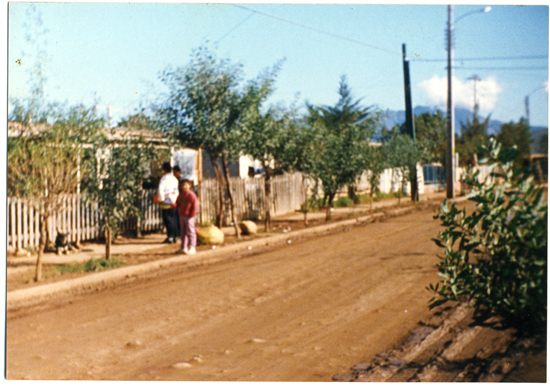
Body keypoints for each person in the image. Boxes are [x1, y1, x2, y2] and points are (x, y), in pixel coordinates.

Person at [155, 162, 179, 244]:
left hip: (166, 201)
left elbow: (161, 190)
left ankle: (170, 237)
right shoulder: (174, 179)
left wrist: (161, 199)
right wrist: (175, 200)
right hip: (173, 201)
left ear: (164, 170)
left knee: (167, 220)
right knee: (174, 219)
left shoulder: (164, 179)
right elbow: (176, 191)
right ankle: (175, 236)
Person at [175, 179, 199, 255]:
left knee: (190, 231)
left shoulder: (191, 195)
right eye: (182, 185)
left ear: (190, 186)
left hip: (189, 216)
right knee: (183, 232)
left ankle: (192, 247)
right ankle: (183, 247)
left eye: (186, 185)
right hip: (182, 215)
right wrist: (173, 205)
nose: (184, 187)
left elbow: (195, 205)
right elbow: (178, 204)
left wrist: (193, 213)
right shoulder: (181, 195)